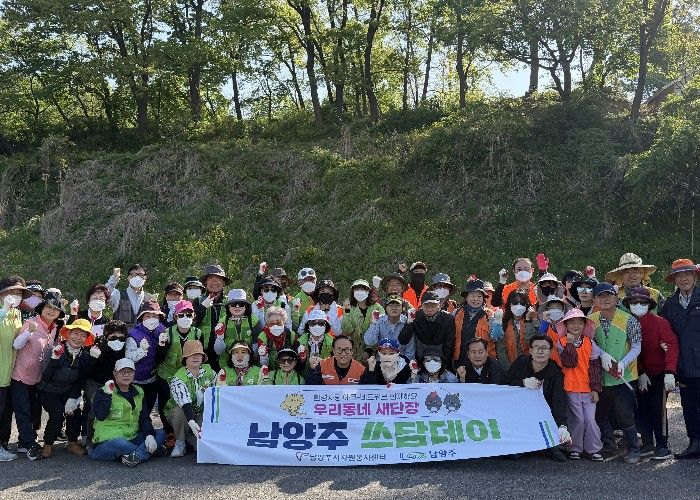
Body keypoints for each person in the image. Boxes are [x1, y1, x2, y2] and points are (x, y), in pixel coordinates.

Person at [589, 282, 642, 463]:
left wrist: (623, 363)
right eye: (600, 296)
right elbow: (588, 342)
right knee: (600, 413)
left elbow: (636, 346)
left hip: (623, 376)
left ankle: (633, 448)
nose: (604, 299)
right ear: (595, 300)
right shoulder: (591, 319)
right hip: (600, 377)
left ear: (616, 297)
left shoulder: (629, 319)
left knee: (624, 413)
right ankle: (609, 444)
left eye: (608, 295)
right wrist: (601, 354)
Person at [624, 287, 678, 460]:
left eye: (643, 302)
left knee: (658, 409)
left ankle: (662, 445)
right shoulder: (625, 322)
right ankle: (647, 443)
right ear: (629, 304)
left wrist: (670, 371)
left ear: (649, 304)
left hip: (660, 372)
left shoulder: (660, 322)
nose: (638, 304)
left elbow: (672, 345)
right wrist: (640, 372)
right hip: (636, 373)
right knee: (641, 408)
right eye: (634, 302)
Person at [10, 291, 63, 461]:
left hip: (37, 377)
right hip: (20, 376)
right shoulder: (31, 323)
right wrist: (29, 332)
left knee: (34, 411)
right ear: (42, 308)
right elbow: (16, 345)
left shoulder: (54, 328)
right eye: (48, 307)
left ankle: (24, 441)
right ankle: (29, 444)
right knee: (23, 411)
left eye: (56, 309)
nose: (51, 311)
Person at [33, 318, 96, 460]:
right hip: (47, 390)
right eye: (76, 333)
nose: (78, 338)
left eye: (83, 335)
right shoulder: (56, 349)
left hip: (67, 390)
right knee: (57, 413)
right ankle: (48, 443)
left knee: (75, 411)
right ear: (68, 334)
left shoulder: (85, 356)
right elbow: (46, 377)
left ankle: (72, 442)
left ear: (86, 339)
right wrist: (54, 359)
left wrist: (73, 398)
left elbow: (80, 380)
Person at [88, 358, 166, 466]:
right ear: (115, 374)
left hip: (132, 437)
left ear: (134, 374)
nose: (126, 375)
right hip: (107, 441)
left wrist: (149, 435)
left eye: (130, 371)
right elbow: (101, 415)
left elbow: (144, 417)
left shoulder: (139, 391)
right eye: (122, 371)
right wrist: (107, 395)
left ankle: (136, 456)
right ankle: (149, 451)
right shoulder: (103, 391)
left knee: (160, 433)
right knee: (120, 443)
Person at [505, 335, 571, 462]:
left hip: (544, 413)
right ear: (530, 350)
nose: (540, 351)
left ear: (550, 352)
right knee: (512, 455)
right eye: (536, 347)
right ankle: (520, 445)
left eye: (544, 348)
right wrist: (522, 383)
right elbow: (504, 383)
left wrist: (562, 426)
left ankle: (551, 446)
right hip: (519, 411)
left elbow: (558, 401)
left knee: (555, 440)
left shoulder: (556, 373)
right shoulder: (520, 363)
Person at [660, 258, 700, 459]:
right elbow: (664, 332)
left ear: (694, 276)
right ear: (674, 280)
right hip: (683, 365)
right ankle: (695, 443)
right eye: (679, 276)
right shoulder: (669, 305)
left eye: (687, 274)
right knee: (689, 407)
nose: (683, 279)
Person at [555, 309, 604, 461]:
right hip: (570, 387)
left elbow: (595, 366)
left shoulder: (590, 342)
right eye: (572, 322)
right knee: (577, 419)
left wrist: (596, 389)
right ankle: (574, 448)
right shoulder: (561, 342)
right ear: (566, 325)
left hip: (588, 388)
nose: (576, 325)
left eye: (580, 323)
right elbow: (569, 362)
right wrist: (570, 343)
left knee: (589, 419)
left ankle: (594, 449)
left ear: (584, 325)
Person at [155, 300, 202, 440]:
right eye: (181, 315)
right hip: (167, 374)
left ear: (193, 316)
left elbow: (201, 354)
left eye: (189, 314)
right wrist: (161, 345)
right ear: (175, 316)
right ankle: (170, 434)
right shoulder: (167, 332)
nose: (185, 317)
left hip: (187, 374)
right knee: (166, 405)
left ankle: (188, 432)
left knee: (187, 401)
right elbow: (158, 358)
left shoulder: (198, 333)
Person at [165, 340, 215, 458]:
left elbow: (216, 394)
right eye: (191, 354)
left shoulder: (211, 372)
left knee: (202, 447)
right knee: (179, 412)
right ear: (185, 358)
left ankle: (191, 438)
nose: (195, 357)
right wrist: (191, 421)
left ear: (202, 357)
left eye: (198, 354)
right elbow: (185, 403)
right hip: (182, 412)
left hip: (201, 412)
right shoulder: (178, 378)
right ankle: (180, 442)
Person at [0, 276, 30, 460]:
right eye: (11, 292)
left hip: (10, 371)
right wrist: (3, 311)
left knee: (4, 412)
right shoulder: (3, 311)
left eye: (19, 293)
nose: (15, 295)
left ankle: (2, 444)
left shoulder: (17, 313)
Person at [125, 300, 166, 416]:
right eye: (148, 316)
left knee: (148, 410)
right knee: (136, 411)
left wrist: (163, 344)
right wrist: (141, 351)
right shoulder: (134, 334)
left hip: (152, 379)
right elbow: (129, 358)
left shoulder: (162, 330)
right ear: (142, 318)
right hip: (135, 380)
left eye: (154, 316)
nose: (151, 319)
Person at [398, 291, 455, 365]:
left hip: (442, 358)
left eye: (433, 306)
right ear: (421, 306)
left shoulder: (448, 318)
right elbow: (403, 340)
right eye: (426, 306)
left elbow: (449, 344)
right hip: (421, 359)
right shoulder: (416, 316)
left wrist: (444, 364)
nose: (429, 309)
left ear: (439, 305)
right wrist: (409, 322)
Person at [194, 264, 231, 371]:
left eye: (218, 278)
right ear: (205, 282)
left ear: (223, 282)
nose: (214, 281)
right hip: (202, 353)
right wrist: (202, 307)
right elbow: (192, 323)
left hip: (225, 352)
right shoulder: (198, 301)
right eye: (210, 278)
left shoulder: (230, 302)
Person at [213, 289, 261, 367]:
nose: (237, 306)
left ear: (246, 306)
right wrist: (219, 337)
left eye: (241, 304)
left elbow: (256, 347)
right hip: (227, 365)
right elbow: (219, 352)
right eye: (233, 304)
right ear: (228, 307)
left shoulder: (254, 321)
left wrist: (253, 363)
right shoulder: (222, 322)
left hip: (249, 364)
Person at [452, 279, 493, 370]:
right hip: (459, 361)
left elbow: (496, 338)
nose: (476, 299)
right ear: (466, 297)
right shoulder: (456, 313)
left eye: (479, 296)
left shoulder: (490, 316)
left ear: (483, 298)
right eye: (472, 296)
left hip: (482, 363)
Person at [341, 279, 384, 360]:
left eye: (363, 289)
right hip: (352, 350)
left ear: (368, 291)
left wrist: (369, 350)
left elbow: (381, 330)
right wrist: (346, 311)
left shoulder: (377, 307)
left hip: (373, 351)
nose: (360, 292)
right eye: (357, 289)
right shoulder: (349, 307)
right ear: (353, 292)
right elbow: (347, 330)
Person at [493, 291, 538, 369]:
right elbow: (501, 351)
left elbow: (532, 344)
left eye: (522, 303)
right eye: (515, 302)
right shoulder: (503, 322)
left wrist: (528, 320)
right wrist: (509, 370)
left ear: (527, 305)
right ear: (510, 304)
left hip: (531, 367)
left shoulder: (533, 321)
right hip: (510, 368)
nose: (519, 306)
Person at [306, 335, 372, 385]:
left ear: (352, 351)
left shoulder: (361, 370)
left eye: (347, 349)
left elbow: (367, 392)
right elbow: (311, 388)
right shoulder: (322, 365)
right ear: (333, 351)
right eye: (339, 349)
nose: (343, 353)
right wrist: (312, 370)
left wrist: (371, 372)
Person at [364, 294, 413, 360]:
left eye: (397, 305)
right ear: (385, 308)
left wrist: (406, 364)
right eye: (390, 305)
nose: (394, 308)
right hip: (382, 360)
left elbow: (410, 351)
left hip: (401, 361)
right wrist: (374, 323)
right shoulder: (379, 320)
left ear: (402, 308)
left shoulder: (407, 322)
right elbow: (369, 341)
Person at [257, 306, 296, 371]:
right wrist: (263, 356)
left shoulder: (291, 335)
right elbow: (261, 364)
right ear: (268, 324)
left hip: (288, 369)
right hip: (270, 370)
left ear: (284, 322)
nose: (275, 326)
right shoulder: (262, 336)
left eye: (278, 323)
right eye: (272, 324)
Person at [537, 295, 567, 367]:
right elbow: (540, 338)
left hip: (566, 365)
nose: (555, 310)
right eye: (552, 308)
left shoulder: (568, 325)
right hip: (550, 365)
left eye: (558, 307)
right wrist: (544, 321)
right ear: (547, 311)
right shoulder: (546, 325)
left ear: (563, 310)